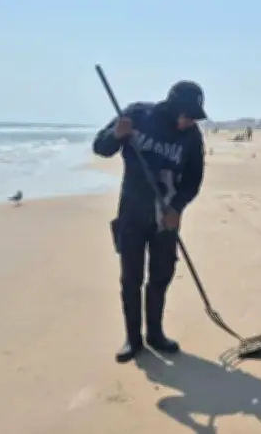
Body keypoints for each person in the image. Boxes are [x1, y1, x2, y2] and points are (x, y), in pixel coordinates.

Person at [92, 81, 207, 363]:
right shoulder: (138, 115)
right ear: (173, 107)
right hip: (131, 212)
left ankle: (155, 333)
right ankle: (133, 339)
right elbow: (100, 146)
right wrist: (116, 136)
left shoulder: (192, 136)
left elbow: (193, 179)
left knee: (161, 275)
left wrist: (178, 207)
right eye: (187, 115)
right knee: (131, 277)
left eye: (195, 117)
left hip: (166, 217)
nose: (190, 121)